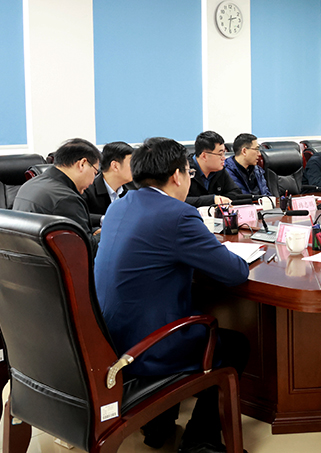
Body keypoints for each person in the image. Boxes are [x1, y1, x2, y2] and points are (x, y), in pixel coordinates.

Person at [94, 137, 249, 453]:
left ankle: (158, 424)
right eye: (189, 173)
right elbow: (235, 273)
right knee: (235, 346)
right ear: (178, 175)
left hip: (108, 339)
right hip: (148, 346)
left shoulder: (119, 205)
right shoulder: (177, 214)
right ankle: (200, 441)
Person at [13, 138, 102, 252]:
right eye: (95, 172)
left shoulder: (30, 184)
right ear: (82, 164)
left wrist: (94, 232)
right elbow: (88, 249)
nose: (92, 181)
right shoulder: (65, 198)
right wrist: (107, 233)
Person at [83, 141, 134, 226]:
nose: (135, 168)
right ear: (115, 166)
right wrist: (106, 220)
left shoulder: (133, 190)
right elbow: (79, 216)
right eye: (131, 163)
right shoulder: (86, 189)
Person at [186, 130, 242, 207]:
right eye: (220, 154)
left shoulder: (219, 169)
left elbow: (236, 193)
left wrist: (220, 200)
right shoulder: (184, 170)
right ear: (204, 156)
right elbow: (180, 200)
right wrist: (212, 199)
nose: (224, 158)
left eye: (224, 153)